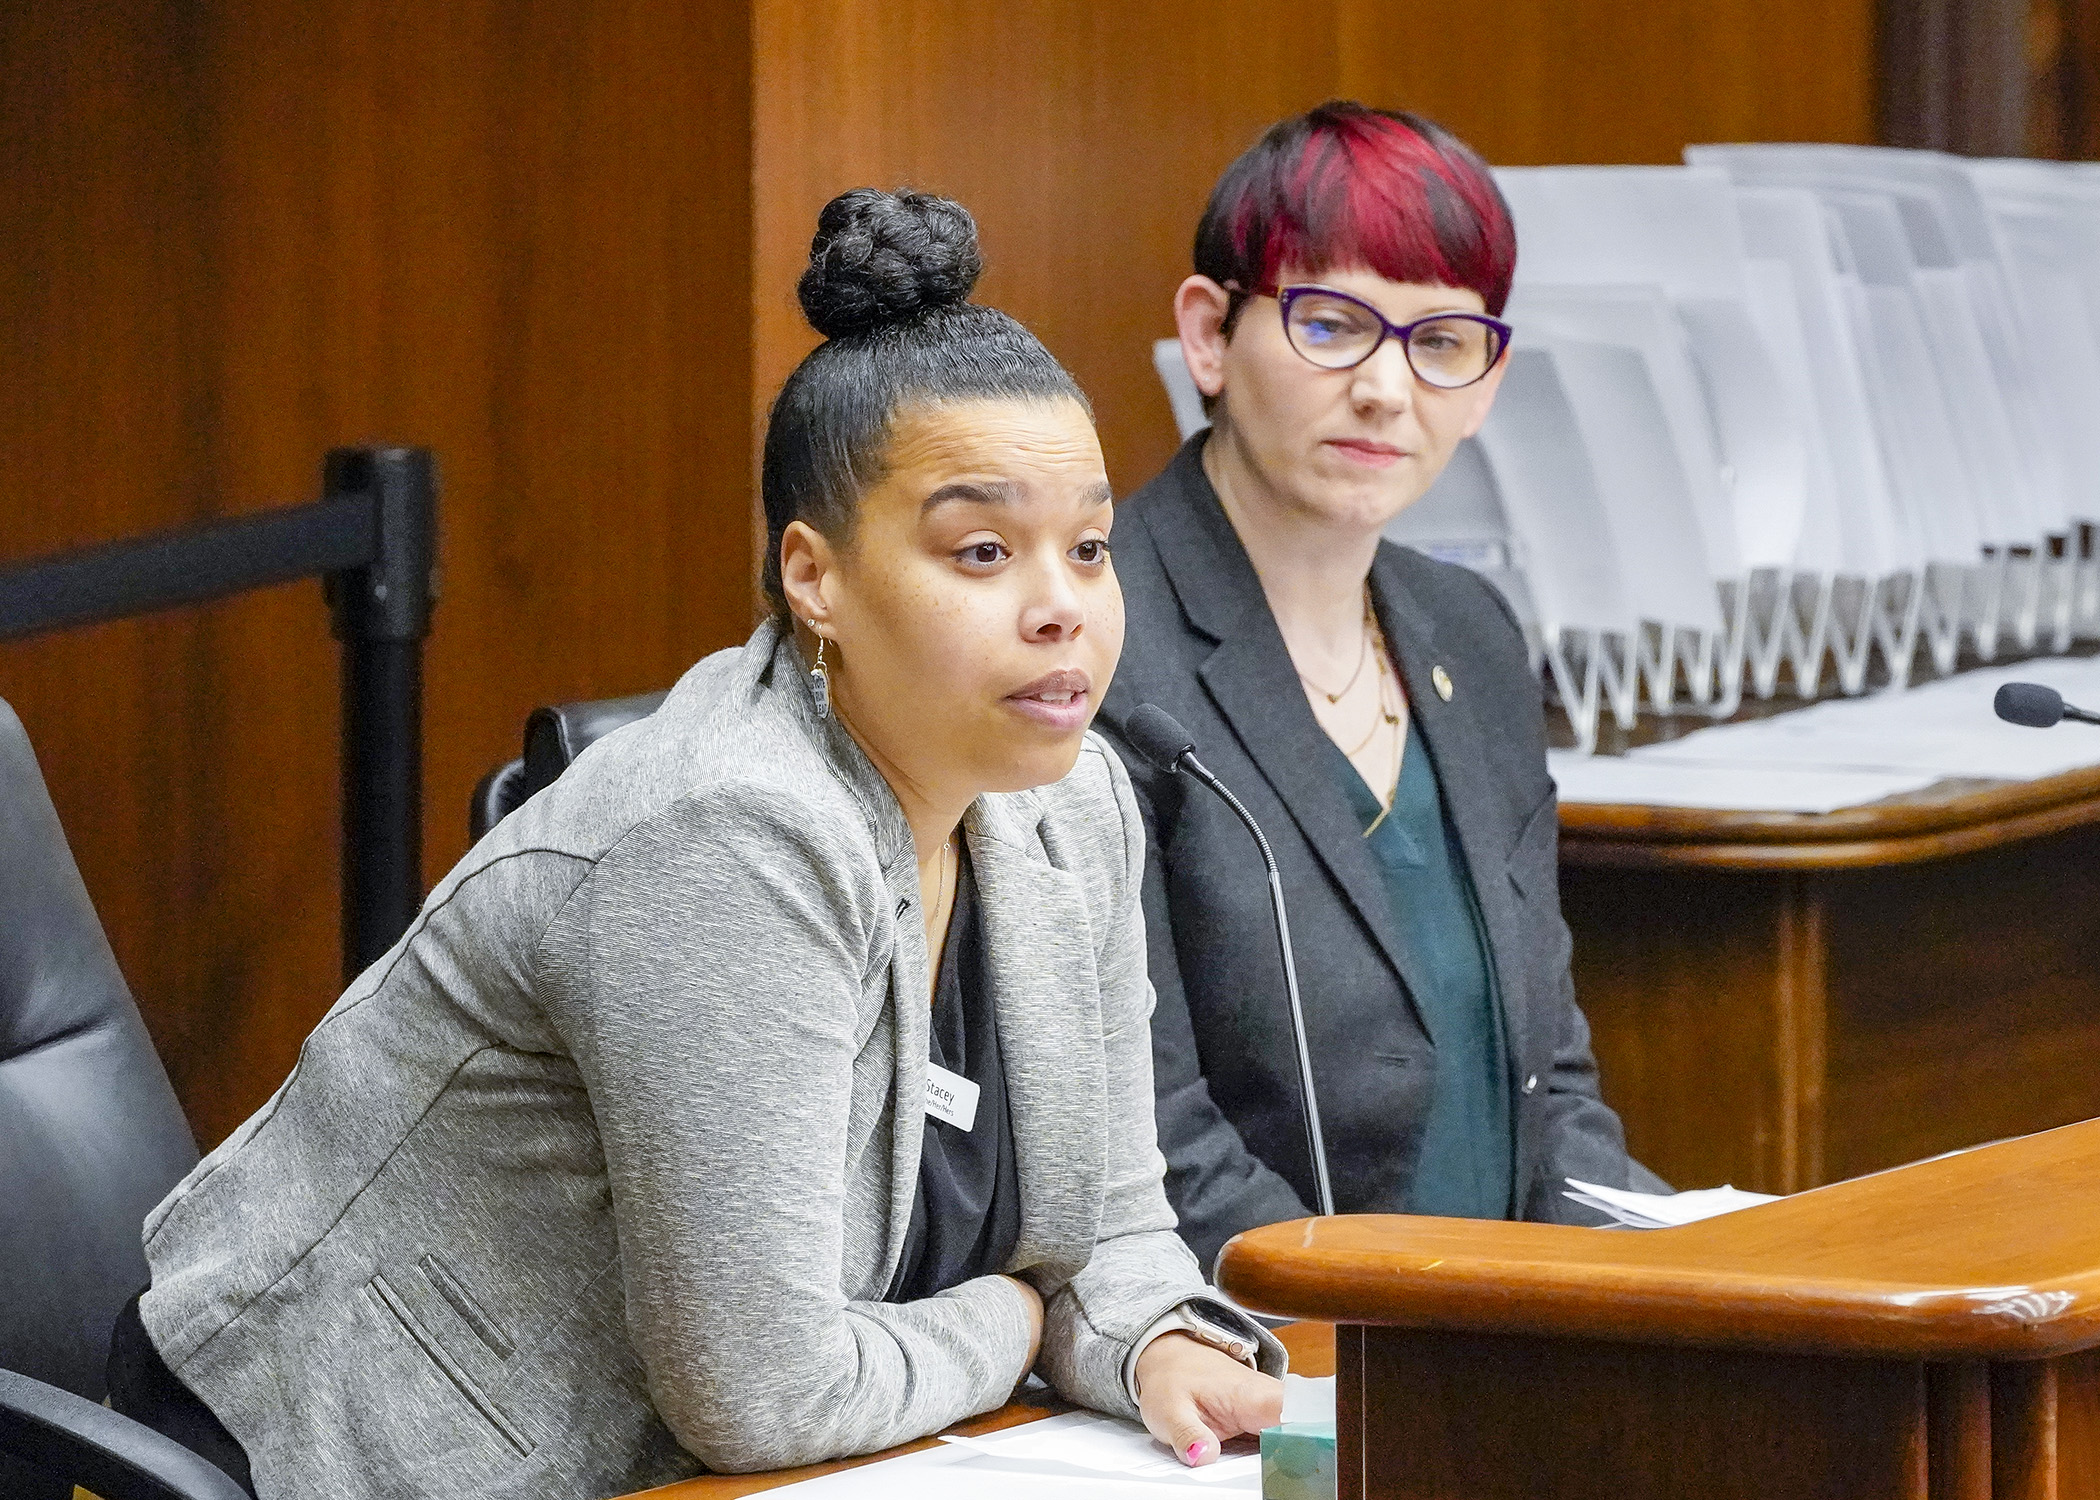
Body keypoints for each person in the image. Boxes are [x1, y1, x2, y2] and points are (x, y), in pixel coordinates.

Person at [111, 188, 1283, 1500]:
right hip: (322, 1452)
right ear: (813, 577)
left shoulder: (1073, 806)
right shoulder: (733, 835)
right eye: (983, 550)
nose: (1062, 606)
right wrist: (1020, 1322)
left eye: (1087, 547)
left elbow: (1114, 1221)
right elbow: (766, 1393)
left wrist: (1152, 1342)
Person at [1100, 102, 1667, 1271]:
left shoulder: (1471, 632)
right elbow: (1151, 1140)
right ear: (1209, 335)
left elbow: (1547, 1082)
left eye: (1441, 340)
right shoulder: (1101, 642)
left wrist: (1698, 1272)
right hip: (1272, 1352)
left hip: (1497, 1336)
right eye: (1331, 324)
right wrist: (1396, 1340)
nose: (1386, 390)